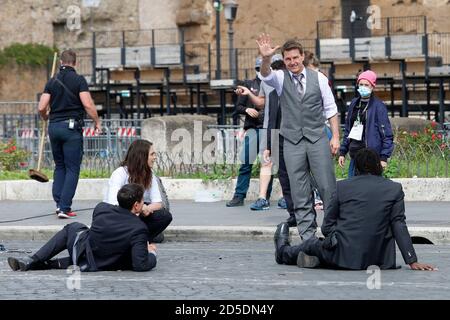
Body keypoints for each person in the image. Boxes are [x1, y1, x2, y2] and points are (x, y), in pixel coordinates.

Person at [274, 148, 437, 271]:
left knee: (311, 244)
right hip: (379, 260)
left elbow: (326, 227)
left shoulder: (342, 186)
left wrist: (334, 238)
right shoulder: (394, 188)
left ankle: (282, 252)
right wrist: (412, 260)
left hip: (344, 256)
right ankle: (317, 260)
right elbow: (398, 225)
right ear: (378, 167)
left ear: (356, 168)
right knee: (319, 248)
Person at [256, 34, 340, 241]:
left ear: (302, 57)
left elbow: (330, 109)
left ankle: (332, 232)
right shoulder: (280, 77)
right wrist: (266, 58)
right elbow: (265, 75)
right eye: (288, 59)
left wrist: (335, 136)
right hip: (292, 141)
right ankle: (308, 236)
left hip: (317, 137)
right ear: (284, 61)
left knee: (327, 186)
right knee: (299, 189)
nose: (292, 62)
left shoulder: (319, 78)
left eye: (295, 57)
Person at [8, 183, 158, 272]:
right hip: (101, 263)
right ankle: (36, 263)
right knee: (83, 252)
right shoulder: (139, 228)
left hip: (84, 250)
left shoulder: (102, 208)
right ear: (136, 205)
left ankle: (32, 261)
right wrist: (151, 254)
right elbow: (141, 264)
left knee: (73, 228)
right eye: (142, 201)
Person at [38, 49, 101, 219]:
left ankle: (59, 203)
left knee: (59, 166)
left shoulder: (52, 81)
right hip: (71, 128)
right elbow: (87, 104)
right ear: (75, 62)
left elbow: (41, 107)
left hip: (54, 127)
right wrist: (96, 121)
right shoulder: (79, 80)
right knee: (72, 168)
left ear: (60, 62)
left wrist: (45, 118)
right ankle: (65, 208)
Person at [234, 54, 285, 212]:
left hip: (286, 126)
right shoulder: (265, 82)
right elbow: (261, 103)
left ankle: (286, 197)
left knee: (284, 163)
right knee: (266, 161)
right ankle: (262, 198)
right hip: (268, 126)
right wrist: (249, 94)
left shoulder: (290, 79)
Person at [226, 57, 273, 207]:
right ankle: (239, 195)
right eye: (258, 69)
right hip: (253, 128)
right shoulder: (249, 84)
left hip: (268, 129)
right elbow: (238, 107)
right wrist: (247, 109)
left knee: (268, 164)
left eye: (262, 69)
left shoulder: (273, 84)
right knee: (246, 162)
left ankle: (265, 195)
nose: (260, 72)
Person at [104, 139, 172, 243]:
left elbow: (158, 203)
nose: (155, 158)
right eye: (152, 154)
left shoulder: (150, 174)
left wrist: (145, 208)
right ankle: (137, 237)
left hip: (139, 212)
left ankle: (138, 238)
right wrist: (138, 209)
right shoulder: (120, 173)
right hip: (120, 215)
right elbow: (113, 203)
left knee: (164, 216)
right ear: (142, 156)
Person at [339, 70, 394, 177]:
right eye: (361, 84)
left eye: (366, 85)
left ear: (372, 86)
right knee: (354, 188)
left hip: (371, 158)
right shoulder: (354, 104)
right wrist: (343, 152)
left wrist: (383, 157)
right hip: (355, 156)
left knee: (371, 190)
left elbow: (387, 134)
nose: (363, 87)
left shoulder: (379, 106)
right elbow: (348, 129)